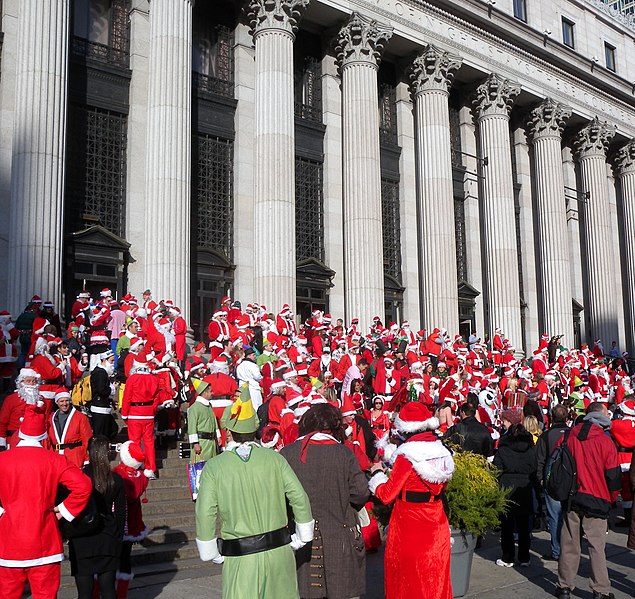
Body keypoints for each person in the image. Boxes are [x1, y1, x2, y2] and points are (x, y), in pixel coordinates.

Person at [195, 387, 314, 599]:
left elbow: (205, 512)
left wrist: (210, 550)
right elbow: (299, 496)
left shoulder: (214, 468)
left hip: (241, 559)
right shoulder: (275, 459)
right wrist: (303, 535)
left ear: (229, 431)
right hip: (279, 554)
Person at [0, 400, 92, 599]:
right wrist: (63, 510)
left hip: (9, 541)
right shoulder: (54, 460)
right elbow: (84, 486)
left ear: (21, 434)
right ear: (43, 436)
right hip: (45, 539)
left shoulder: (3, 460)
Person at [281, 404, 370, 599]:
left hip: (299, 538)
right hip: (340, 537)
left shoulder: (287, 454)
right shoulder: (344, 453)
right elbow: (361, 492)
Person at [368, 401, 454, 599]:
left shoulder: (406, 457)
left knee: (408, 582)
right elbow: (441, 487)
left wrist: (378, 476)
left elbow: (387, 495)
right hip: (437, 520)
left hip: (409, 526)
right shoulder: (442, 452)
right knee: (436, 579)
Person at [555, 402, 621, 599]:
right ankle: (600, 589)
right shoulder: (605, 441)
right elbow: (613, 476)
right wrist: (610, 498)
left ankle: (564, 586)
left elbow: (557, 462)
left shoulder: (568, 436)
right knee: (596, 547)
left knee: (569, 543)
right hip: (597, 497)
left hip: (572, 496)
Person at [69, 435, 126, 599]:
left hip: (81, 537)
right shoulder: (115, 480)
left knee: (84, 592)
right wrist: (119, 536)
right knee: (108, 589)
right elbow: (121, 513)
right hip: (107, 536)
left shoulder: (78, 478)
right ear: (107, 454)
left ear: (88, 452)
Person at [493, 408, 537, 568]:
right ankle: (524, 557)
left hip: (507, 488)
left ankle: (508, 557)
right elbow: (534, 467)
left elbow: (496, 469)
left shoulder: (504, 449)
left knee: (507, 526)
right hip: (524, 488)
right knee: (524, 527)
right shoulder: (530, 448)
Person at [112, 440, 149, 598]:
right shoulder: (140, 476)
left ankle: (106, 590)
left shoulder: (117, 473)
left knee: (113, 558)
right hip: (132, 522)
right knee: (125, 559)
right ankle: (122, 594)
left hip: (118, 522)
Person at [535, 404, 569, 561]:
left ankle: (557, 550)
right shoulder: (572, 434)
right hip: (569, 480)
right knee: (568, 517)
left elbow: (539, 460)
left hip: (552, 480)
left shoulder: (546, 435)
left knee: (555, 517)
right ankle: (567, 550)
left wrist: (540, 478)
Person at [121, 353, 160, 479]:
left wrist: (124, 414)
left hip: (135, 413)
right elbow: (156, 398)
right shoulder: (154, 379)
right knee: (149, 442)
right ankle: (151, 468)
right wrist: (152, 410)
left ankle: (134, 466)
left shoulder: (132, 379)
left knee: (135, 442)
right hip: (148, 414)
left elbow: (126, 398)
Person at [48, 388, 93, 468]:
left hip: (74, 457)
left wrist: (86, 459)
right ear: (57, 402)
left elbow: (87, 439)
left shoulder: (80, 417)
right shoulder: (51, 418)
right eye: (61, 401)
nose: (64, 404)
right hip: (56, 457)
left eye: (67, 401)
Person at [187, 377, 220, 462]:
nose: (212, 393)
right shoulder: (194, 408)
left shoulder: (209, 406)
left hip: (211, 442)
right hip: (202, 443)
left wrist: (218, 436)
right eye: (210, 391)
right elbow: (192, 427)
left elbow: (214, 421)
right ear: (204, 393)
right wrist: (195, 443)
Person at [90, 350, 118, 439]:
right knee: (101, 435)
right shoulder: (100, 372)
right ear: (104, 360)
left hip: (102, 407)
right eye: (111, 361)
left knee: (110, 430)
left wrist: (110, 400)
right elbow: (101, 390)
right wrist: (113, 388)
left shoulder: (101, 372)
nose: (113, 364)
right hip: (99, 408)